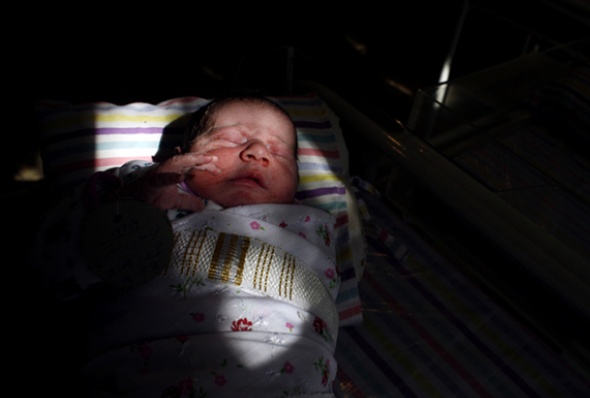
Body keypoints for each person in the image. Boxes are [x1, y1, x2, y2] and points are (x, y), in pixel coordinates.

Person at [33, 95, 341, 397]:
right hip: (152, 373)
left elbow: (329, 302)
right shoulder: (149, 188)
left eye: (280, 153)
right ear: (181, 156)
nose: (259, 153)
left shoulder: (311, 225)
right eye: (232, 140)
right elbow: (53, 263)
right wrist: (128, 204)